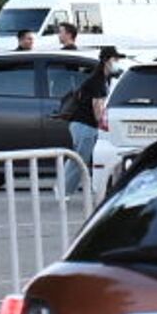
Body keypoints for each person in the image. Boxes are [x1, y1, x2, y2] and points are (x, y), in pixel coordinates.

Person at [59, 39, 116, 198]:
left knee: (77, 158)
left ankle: (62, 188)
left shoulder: (101, 79)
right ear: (106, 60)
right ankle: (63, 192)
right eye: (114, 59)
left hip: (81, 124)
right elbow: (97, 107)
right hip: (84, 125)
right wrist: (103, 126)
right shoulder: (97, 80)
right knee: (79, 160)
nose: (116, 62)